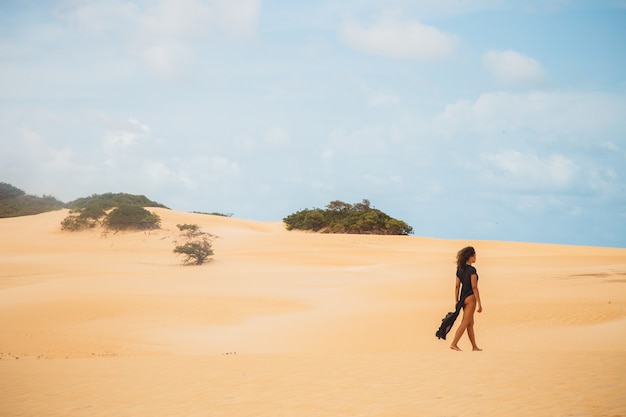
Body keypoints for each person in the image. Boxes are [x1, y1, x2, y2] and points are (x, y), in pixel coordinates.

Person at [449, 246, 483, 351]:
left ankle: (474, 346)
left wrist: (456, 300)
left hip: (463, 298)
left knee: (470, 323)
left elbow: (457, 286)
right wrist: (479, 303)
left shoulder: (459, 269)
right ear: (470, 257)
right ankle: (454, 343)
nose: (475, 257)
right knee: (465, 322)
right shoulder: (472, 270)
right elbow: (474, 287)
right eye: (474, 255)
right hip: (470, 298)